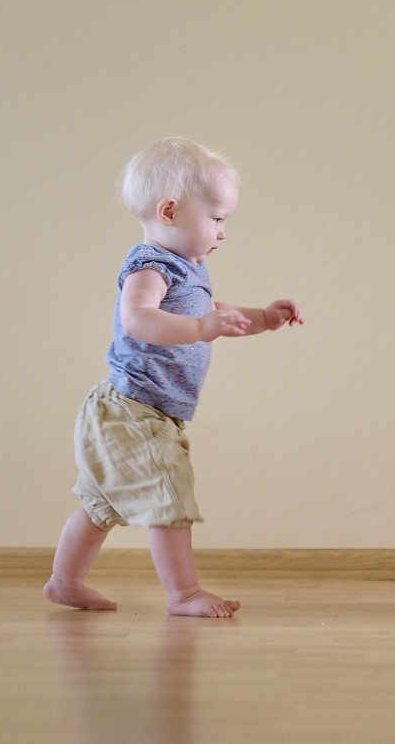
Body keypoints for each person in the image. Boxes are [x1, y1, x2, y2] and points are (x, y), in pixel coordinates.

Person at [44, 137, 303, 618]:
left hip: (135, 411)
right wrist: (202, 328)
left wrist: (264, 317)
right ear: (169, 210)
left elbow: (214, 313)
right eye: (218, 218)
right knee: (171, 497)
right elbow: (138, 319)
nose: (223, 232)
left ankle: (64, 582)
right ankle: (183, 593)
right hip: (133, 412)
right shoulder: (150, 266)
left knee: (101, 505)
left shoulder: (190, 269)